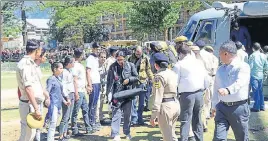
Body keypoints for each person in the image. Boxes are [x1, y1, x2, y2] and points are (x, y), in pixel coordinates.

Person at [211, 40, 250, 141]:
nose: (219, 57)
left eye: (219, 54)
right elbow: (216, 88)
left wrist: (228, 90)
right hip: (222, 107)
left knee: (241, 137)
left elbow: (240, 83)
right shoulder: (220, 69)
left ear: (225, 54)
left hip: (239, 108)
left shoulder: (243, 67)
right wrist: (214, 106)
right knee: (218, 138)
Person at [173, 43, 209, 141]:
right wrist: (205, 90)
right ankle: (199, 139)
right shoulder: (199, 62)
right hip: (199, 93)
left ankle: (184, 139)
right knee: (197, 119)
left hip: (186, 95)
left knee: (185, 120)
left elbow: (174, 82)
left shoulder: (179, 64)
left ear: (180, 53)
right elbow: (206, 78)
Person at [106, 51, 139, 141]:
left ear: (125, 58)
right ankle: (115, 133)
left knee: (127, 115)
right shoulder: (112, 67)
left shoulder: (131, 65)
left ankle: (127, 132)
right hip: (116, 93)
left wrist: (129, 79)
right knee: (116, 113)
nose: (120, 61)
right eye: (118, 59)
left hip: (128, 93)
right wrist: (108, 93)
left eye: (122, 59)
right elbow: (109, 81)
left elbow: (136, 77)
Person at [16, 39, 43, 141]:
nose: (41, 52)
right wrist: (36, 109)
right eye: (40, 50)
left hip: (30, 103)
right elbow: (28, 88)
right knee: (27, 135)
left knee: (30, 134)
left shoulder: (30, 63)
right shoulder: (26, 64)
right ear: (36, 50)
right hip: (28, 104)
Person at [150, 52, 180, 141]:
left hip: (166, 106)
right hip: (175, 104)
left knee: (167, 137)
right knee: (172, 134)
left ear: (156, 65)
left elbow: (157, 98)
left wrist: (153, 116)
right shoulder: (173, 73)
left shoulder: (159, 77)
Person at [128, 46, 154, 125]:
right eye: (137, 53)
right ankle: (134, 119)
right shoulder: (130, 58)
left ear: (142, 52)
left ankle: (140, 118)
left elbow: (148, 69)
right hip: (133, 82)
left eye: (139, 53)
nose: (138, 54)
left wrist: (152, 78)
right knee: (133, 101)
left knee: (142, 103)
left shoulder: (146, 58)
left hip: (142, 82)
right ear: (134, 52)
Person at [71, 48, 92, 135]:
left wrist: (86, 86)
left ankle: (88, 127)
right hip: (78, 91)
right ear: (80, 55)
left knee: (85, 109)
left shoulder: (80, 65)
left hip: (82, 90)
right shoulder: (75, 66)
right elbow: (75, 80)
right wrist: (76, 93)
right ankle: (74, 129)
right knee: (75, 111)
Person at [46, 62, 69, 141]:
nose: (62, 70)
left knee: (54, 123)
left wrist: (64, 101)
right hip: (53, 104)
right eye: (60, 68)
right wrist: (47, 99)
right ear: (55, 69)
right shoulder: (51, 79)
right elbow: (47, 91)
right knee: (52, 124)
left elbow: (59, 93)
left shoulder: (58, 79)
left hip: (58, 104)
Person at [34, 48, 50, 141]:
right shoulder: (34, 68)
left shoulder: (38, 67)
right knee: (36, 124)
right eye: (44, 56)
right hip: (35, 99)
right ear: (39, 57)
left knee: (38, 125)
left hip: (39, 98)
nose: (46, 57)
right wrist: (46, 95)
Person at [58, 56, 75, 141]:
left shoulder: (70, 71)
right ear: (69, 63)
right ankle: (61, 135)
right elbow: (63, 86)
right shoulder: (64, 72)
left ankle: (65, 133)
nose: (74, 64)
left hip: (71, 94)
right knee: (65, 116)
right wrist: (67, 97)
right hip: (67, 95)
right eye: (73, 62)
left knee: (68, 116)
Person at [86, 42, 102, 131]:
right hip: (93, 83)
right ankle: (91, 122)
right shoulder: (90, 59)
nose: (98, 50)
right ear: (93, 49)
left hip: (97, 82)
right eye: (96, 49)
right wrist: (89, 84)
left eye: (99, 49)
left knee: (95, 104)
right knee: (92, 104)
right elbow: (88, 71)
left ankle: (93, 121)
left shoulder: (96, 58)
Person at [248, 42, 268, 112]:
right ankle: (262, 106)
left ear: (253, 48)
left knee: (255, 91)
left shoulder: (252, 56)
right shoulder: (263, 55)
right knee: (260, 91)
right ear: (260, 48)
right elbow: (266, 66)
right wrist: (265, 75)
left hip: (254, 75)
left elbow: (250, 66)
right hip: (261, 75)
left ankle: (256, 107)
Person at [96, 51, 108, 125]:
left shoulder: (104, 65)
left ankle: (100, 118)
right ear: (98, 57)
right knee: (97, 105)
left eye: (104, 57)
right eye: (101, 57)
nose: (103, 59)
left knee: (101, 104)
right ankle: (96, 120)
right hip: (97, 87)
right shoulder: (96, 66)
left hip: (103, 87)